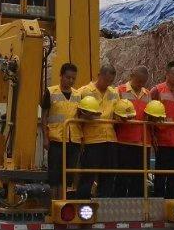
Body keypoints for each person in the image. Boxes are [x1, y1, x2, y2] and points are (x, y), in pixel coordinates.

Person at [76, 65, 120, 198]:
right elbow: (75, 114)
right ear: (99, 75)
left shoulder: (114, 93)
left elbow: (117, 112)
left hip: (110, 139)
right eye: (106, 80)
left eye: (110, 81)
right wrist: (84, 116)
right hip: (92, 140)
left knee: (108, 175)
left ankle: (104, 203)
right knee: (88, 175)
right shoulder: (83, 92)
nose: (108, 84)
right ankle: (82, 203)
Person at [40, 63, 81, 199]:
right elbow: (44, 116)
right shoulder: (50, 92)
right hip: (56, 139)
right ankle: (54, 203)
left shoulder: (78, 95)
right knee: (55, 174)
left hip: (73, 140)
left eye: (73, 78)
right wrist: (45, 138)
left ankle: (64, 201)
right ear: (61, 76)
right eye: (68, 77)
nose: (70, 81)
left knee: (68, 174)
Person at [150, 61, 174, 198]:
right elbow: (149, 115)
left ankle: (172, 200)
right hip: (163, 138)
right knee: (161, 173)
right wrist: (152, 135)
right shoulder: (157, 90)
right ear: (167, 74)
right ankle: (159, 199)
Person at [114, 66, 152, 197]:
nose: (140, 84)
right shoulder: (119, 91)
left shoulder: (148, 94)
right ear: (132, 76)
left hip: (143, 142)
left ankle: (138, 206)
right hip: (124, 141)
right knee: (122, 177)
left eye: (143, 82)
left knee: (139, 179)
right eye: (139, 80)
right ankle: (118, 204)